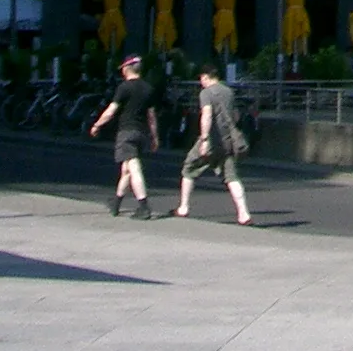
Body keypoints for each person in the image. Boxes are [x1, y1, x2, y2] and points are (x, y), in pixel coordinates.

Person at [174, 65, 253, 224]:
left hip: (211, 139)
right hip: (228, 141)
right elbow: (235, 116)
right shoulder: (229, 92)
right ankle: (244, 214)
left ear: (205, 77)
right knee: (231, 177)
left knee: (189, 168)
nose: (201, 82)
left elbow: (207, 116)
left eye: (201, 79)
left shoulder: (206, 93)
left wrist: (204, 139)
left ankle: (184, 207)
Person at [90, 54, 158, 216]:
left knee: (133, 167)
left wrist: (97, 124)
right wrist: (155, 137)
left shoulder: (124, 88)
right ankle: (117, 202)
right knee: (126, 169)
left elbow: (111, 111)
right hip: (141, 133)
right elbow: (152, 117)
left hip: (126, 132)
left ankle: (144, 205)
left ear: (127, 69)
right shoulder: (149, 89)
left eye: (123, 69)